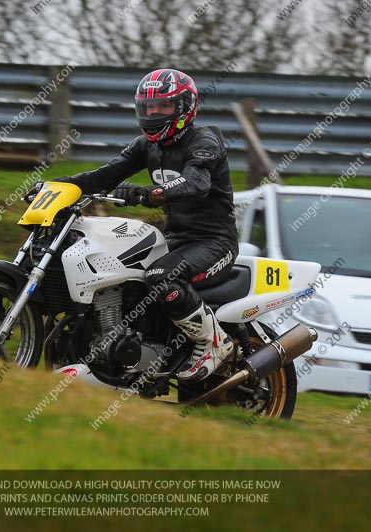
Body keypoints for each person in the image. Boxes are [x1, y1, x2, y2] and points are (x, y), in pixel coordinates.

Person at [25, 68, 239, 382]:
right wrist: (54, 186)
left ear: (183, 107)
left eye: (163, 107)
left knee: (161, 275)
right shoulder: (147, 146)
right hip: (175, 241)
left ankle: (213, 342)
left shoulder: (204, 141)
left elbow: (197, 182)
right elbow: (104, 175)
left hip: (214, 241)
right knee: (127, 278)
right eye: (148, 107)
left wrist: (151, 193)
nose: (153, 114)